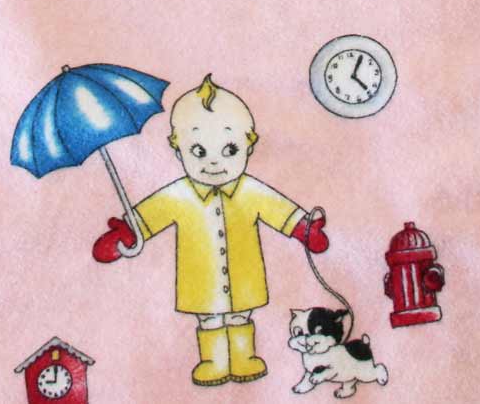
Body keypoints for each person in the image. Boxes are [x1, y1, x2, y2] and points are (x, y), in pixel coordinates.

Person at [92, 75, 329, 387]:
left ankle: (243, 357)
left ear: (249, 145)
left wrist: (304, 229)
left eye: (230, 149)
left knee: (240, 315)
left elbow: (279, 210)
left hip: (243, 274)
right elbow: (150, 215)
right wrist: (125, 233)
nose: (214, 162)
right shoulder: (179, 194)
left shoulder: (249, 190)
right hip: (200, 277)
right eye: (199, 151)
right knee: (209, 319)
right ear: (178, 150)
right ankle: (214, 361)